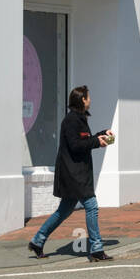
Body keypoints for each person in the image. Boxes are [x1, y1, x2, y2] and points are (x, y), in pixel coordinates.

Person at [27, 85, 114, 261]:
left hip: (76, 173)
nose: (90, 100)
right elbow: (75, 146)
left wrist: (102, 134)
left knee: (63, 211)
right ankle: (96, 249)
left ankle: (37, 240)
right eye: (89, 96)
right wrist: (96, 142)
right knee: (91, 206)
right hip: (73, 174)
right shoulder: (71, 121)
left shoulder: (80, 119)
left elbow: (84, 140)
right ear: (82, 99)